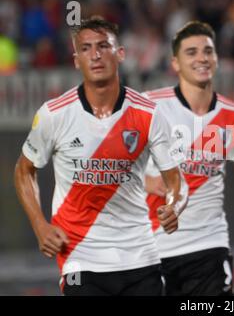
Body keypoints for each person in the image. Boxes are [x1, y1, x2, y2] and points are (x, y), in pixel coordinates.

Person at [14, 17, 187, 296]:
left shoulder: (149, 114)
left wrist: (173, 206)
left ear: (120, 54)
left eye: (104, 46)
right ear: (75, 59)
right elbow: (24, 170)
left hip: (140, 256)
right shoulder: (54, 114)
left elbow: (173, 178)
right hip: (81, 258)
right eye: (86, 48)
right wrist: (39, 225)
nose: (95, 55)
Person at [143, 21, 234, 296]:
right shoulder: (150, 106)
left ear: (217, 59)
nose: (201, 58)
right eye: (191, 52)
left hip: (208, 244)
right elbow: (114, 162)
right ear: (175, 62)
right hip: (151, 245)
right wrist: (144, 181)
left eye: (207, 51)